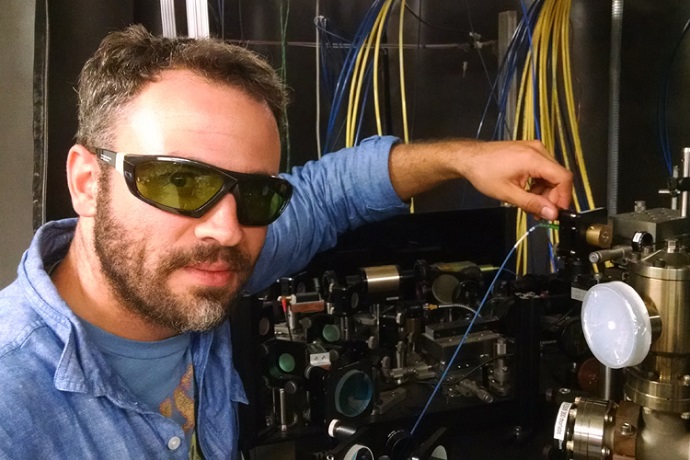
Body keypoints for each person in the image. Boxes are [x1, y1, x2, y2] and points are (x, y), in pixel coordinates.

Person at [0, 25, 572, 459]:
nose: (226, 230)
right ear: (86, 183)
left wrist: (461, 158)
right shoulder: (13, 402)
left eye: (257, 195)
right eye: (179, 181)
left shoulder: (199, 263)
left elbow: (329, 195)